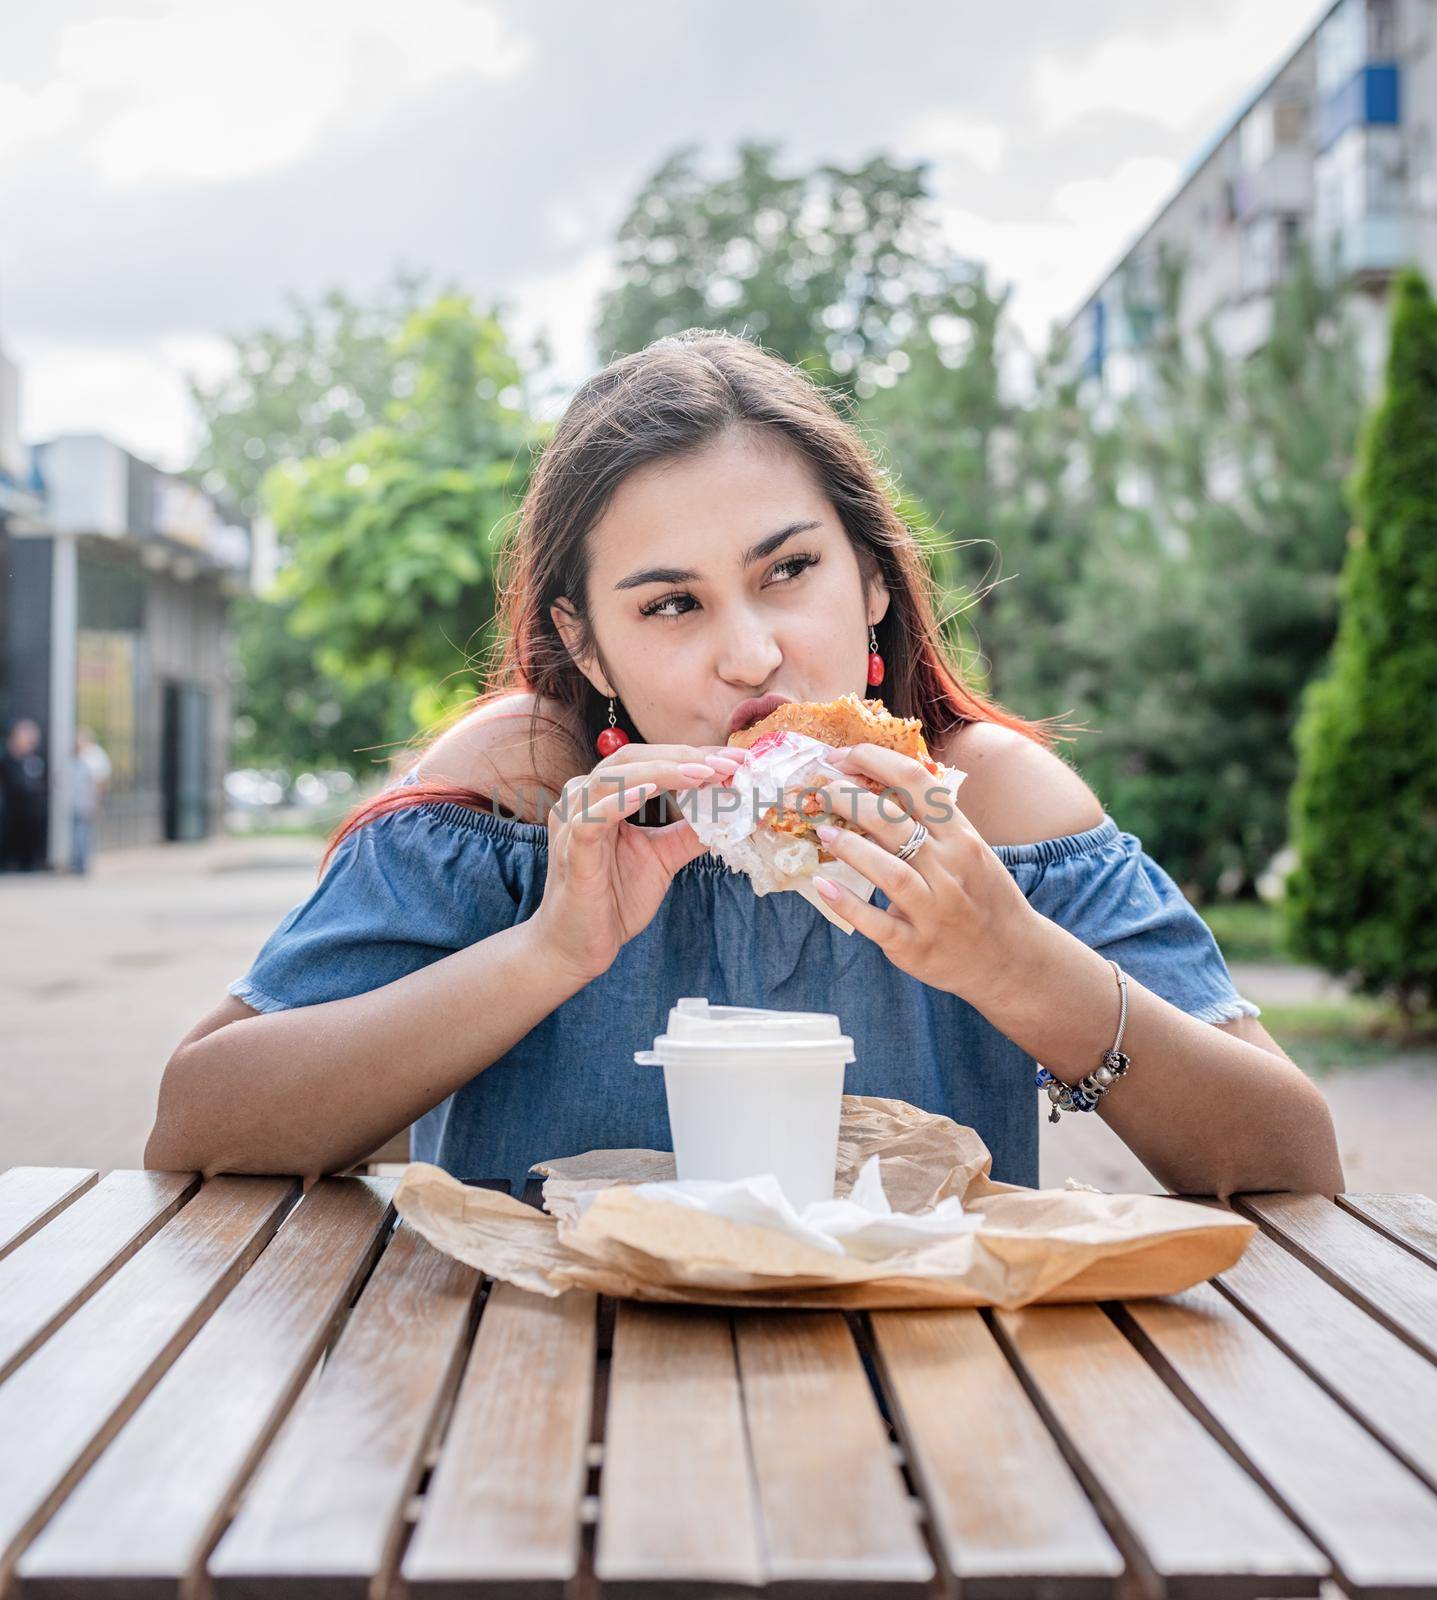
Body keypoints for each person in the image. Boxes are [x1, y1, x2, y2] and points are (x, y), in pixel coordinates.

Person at [145, 329, 1344, 1201]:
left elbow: (1292, 1158)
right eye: (672, 605)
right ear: (587, 645)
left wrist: (1019, 963)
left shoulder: (999, 806)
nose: (753, 655)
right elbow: (198, 1122)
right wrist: (547, 950)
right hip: (531, 1404)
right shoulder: (511, 793)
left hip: (924, 1416)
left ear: (872, 579)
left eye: (789, 571)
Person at [0, 718, 48, 872]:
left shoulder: (36, 757)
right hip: (11, 809)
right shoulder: (7, 757)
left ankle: (29, 862)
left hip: (32, 810)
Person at [70, 727, 112, 875]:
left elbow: (100, 782)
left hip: (86, 804)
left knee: (82, 835)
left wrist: (97, 803)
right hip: (72, 804)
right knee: (76, 835)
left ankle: (82, 865)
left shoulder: (94, 757)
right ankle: (76, 862)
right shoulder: (71, 756)